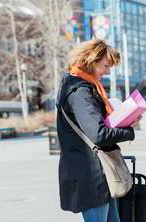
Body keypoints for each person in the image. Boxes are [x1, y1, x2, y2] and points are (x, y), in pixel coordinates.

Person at [56, 39, 139, 222]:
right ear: (92, 60)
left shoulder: (81, 87)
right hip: (91, 175)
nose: (108, 72)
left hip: (96, 173)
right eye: (106, 66)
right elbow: (98, 134)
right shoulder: (80, 92)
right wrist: (128, 130)